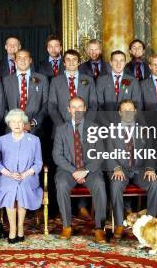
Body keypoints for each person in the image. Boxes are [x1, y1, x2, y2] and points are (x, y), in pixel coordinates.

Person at [53, 97, 107, 243]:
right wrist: (74, 171)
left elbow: (100, 153)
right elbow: (57, 155)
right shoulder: (61, 130)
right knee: (61, 184)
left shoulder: (95, 128)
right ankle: (66, 226)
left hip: (90, 169)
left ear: (84, 109)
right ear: (69, 110)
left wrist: (85, 171)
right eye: (73, 107)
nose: (77, 110)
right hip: (68, 170)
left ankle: (99, 228)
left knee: (100, 185)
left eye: (80, 107)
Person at [105, 99, 157, 240]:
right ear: (119, 112)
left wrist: (150, 168)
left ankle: (150, 221)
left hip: (139, 168)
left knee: (155, 184)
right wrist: (116, 168)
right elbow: (106, 153)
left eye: (130, 109)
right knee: (116, 184)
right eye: (124, 110)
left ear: (135, 112)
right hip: (120, 169)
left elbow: (150, 152)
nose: (127, 112)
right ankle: (119, 223)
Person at [0, 109, 43, 243]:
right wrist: (9, 174)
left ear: (24, 123)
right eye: (14, 121)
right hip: (7, 177)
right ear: (9, 124)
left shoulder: (34, 140)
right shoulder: (2, 140)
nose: (17, 124)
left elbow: (38, 163)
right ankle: (12, 228)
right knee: (11, 189)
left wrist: (25, 174)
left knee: (22, 188)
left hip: (28, 177)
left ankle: (20, 227)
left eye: (20, 121)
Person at [2, 49, 49, 137]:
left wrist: (33, 123)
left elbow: (46, 105)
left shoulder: (42, 79)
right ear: (15, 61)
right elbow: (2, 105)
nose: (22, 60)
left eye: (25, 57)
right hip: (11, 130)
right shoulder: (6, 80)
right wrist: (11, 122)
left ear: (30, 60)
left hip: (35, 130)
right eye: (19, 58)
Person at [48, 49, 97, 128]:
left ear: (79, 62)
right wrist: (62, 125)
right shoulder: (55, 81)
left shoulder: (89, 80)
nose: (71, 62)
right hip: (61, 127)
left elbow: (93, 105)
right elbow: (52, 106)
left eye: (74, 59)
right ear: (64, 63)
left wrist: (86, 124)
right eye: (68, 59)